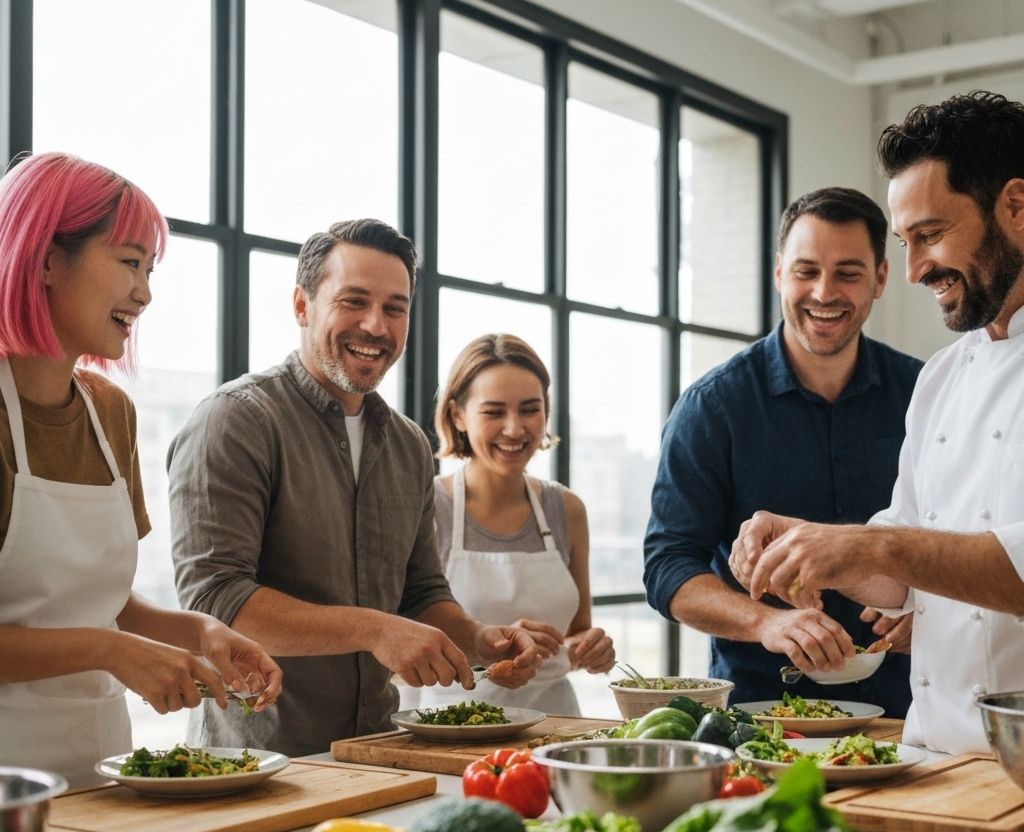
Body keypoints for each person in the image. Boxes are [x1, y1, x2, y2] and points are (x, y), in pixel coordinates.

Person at [167, 219, 544, 757]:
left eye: (395, 308)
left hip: (378, 750)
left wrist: (480, 639)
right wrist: (375, 630)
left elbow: (421, 593)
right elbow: (216, 601)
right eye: (354, 301)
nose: (376, 325)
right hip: (259, 761)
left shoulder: (409, 445)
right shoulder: (235, 420)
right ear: (302, 305)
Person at [730, 91, 1024, 759]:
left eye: (931, 234)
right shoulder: (942, 376)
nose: (915, 270)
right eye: (905, 242)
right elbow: (902, 578)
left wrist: (867, 547)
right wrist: (811, 545)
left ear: (1016, 205)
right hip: (933, 752)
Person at [0, 152, 282, 789]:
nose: (145, 293)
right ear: (46, 259)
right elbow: (98, 630)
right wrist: (109, 650)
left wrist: (200, 632)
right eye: (129, 262)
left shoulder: (110, 412)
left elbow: (97, 599)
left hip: (97, 767)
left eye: (149, 270)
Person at [644, 187, 922, 713]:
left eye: (848, 273)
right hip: (762, 716)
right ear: (779, 274)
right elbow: (667, 566)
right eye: (805, 271)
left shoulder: (925, 394)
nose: (824, 292)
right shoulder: (713, 406)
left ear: (881, 277)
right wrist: (767, 622)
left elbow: (964, 538)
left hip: (912, 711)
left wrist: (930, 607)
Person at [432, 333, 615, 714]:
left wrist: (591, 648)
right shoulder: (430, 508)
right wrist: (490, 649)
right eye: (494, 412)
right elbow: (405, 644)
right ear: (457, 415)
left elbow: (576, 631)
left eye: (530, 409)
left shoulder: (566, 509)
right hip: (453, 723)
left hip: (557, 724)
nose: (514, 429)